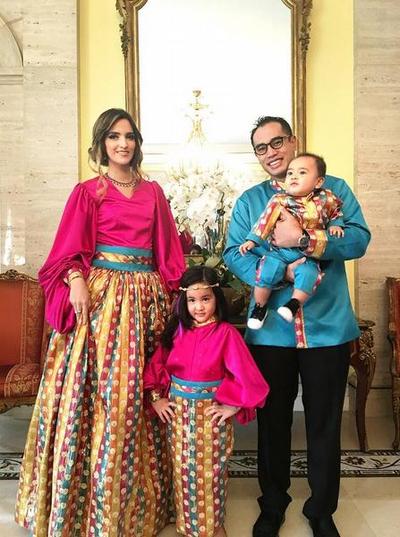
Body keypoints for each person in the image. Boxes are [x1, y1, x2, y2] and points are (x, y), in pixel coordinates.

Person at [15, 108, 186, 537]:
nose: (122, 144)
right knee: (102, 395)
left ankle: (141, 506)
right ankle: (85, 508)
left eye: (129, 136)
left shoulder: (153, 192)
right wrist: (76, 280)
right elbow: (66, 251)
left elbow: (167, 250)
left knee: (142, 392)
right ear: (101, 144)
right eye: (113, 136)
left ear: (137, 143)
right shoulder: (88, 192)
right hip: (102, 299)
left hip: (146, 301)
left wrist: (173, 298)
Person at [224, 116, 370, 537]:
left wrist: (305, 242)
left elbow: (358, 239)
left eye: (277, 142)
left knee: (325, 422)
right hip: (271, 331)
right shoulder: (251, 201)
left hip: (328, 328)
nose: (271, 152)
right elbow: (233, 253)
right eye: (261, 147)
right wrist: (282, 273)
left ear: (293, 141)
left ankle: (321, 510)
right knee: (273, 422)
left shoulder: (334, 190)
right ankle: (272, 504)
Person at [143, 265, 270, 537]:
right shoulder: (176, 332)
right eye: (192, 300)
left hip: (210, 418)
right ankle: (187, 526)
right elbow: (156, 366)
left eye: (205, 299)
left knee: (211, 473)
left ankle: (213, 526)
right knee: (183, 471)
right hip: (179, 418)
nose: (199, 307)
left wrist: (233, 405)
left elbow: (249, 376)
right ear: (183, 301)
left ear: (216, 298)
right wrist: (156, 399)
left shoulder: (226, 334)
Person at [240, 153, 344, 330]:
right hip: (279, 253)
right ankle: (259, 307)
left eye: (302, 172)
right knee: (267, 270)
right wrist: (253, 240)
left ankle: (294, 304)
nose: (294, 177)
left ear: (318, 182)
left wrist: (336, 225)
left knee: (309, 274)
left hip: (308, 255)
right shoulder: (279, 200)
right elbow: (265, 221)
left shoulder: (327, 198)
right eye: (290, 173)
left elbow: (336, 213)